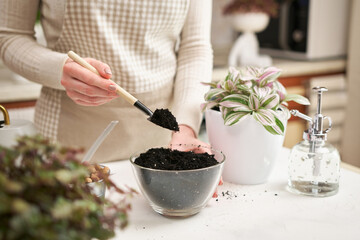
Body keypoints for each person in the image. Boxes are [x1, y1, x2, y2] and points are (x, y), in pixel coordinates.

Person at [0, 0, 213, 162]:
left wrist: (186, 128)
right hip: (67, 145)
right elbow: (10, 36)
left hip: (166, 141)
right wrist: (59, 69)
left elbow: (195, 47)